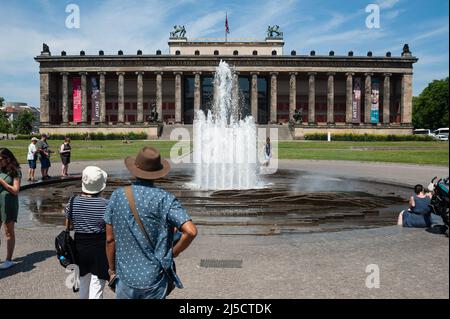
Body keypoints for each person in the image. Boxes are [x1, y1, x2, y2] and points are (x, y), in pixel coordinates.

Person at [104, 147, 197, 299]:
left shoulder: (117, 196)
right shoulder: (165, 199)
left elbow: (109, 239)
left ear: (134, 170)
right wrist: (173, 253)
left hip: (125, 276)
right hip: (154, 277)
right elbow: (191, 231)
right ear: (156, 173)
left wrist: (111, 270)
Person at [64, 166, 109, 299]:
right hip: (100, 248)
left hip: (80, 247)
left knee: (83, 282)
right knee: (97, 285)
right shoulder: (106, 204)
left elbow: (69, 226)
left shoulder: (72, 202)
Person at [0, 148, 22, 270]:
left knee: (8, 232)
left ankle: (8, 260)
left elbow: (15, 190)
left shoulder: (15, 171)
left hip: (9, 204)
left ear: (8, 158)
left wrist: (3, 183)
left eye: (0, 159)